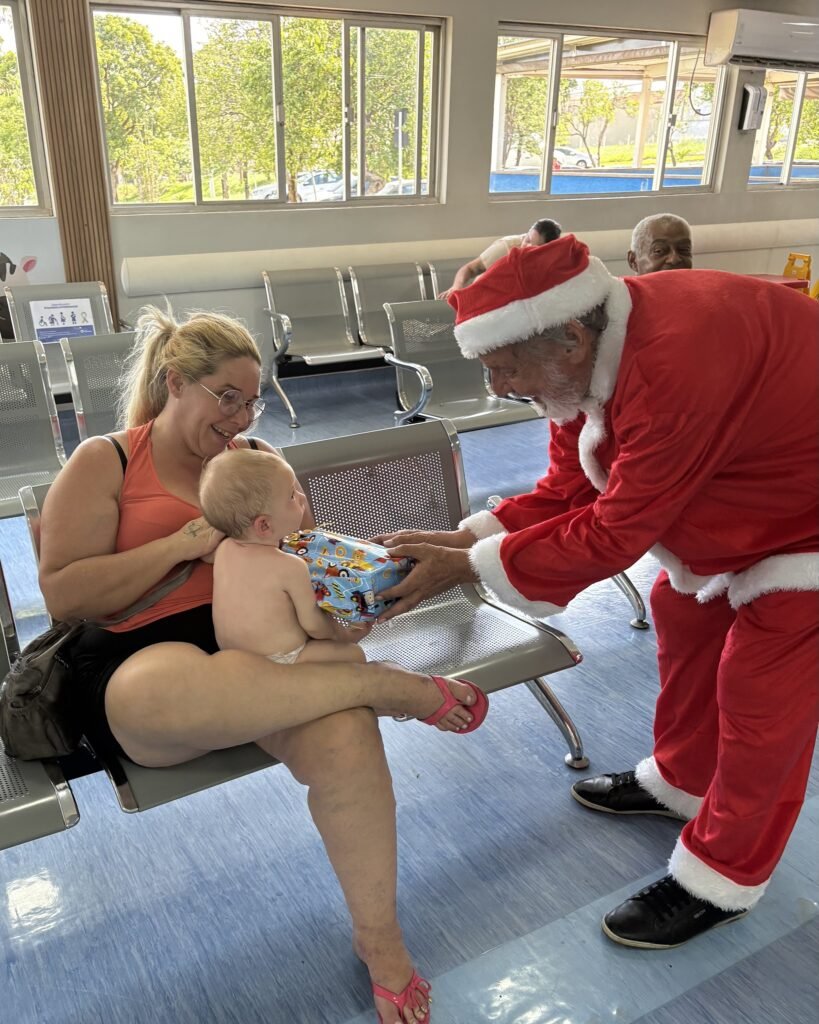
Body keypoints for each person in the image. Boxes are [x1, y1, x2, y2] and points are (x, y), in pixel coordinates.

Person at [39, 305, 491, 1024]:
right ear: (174, 383)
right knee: (175, 694)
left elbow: (306, 568)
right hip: (140, 658)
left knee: (344, 733)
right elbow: (64, 594)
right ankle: (381, 686)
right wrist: (185, 544)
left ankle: (380, 938)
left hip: (262, 649)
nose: (242, 414)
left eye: (252, 398)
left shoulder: (253, 462)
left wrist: (355, 605)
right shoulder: (109, 460)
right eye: (228, 396)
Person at [375, 235, 818, 949]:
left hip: (807, 519)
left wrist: (470, 566)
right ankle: (682, 779)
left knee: (764, 695)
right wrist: (469, 542)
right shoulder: (582, 357)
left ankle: (723, 878)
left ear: (572, 340)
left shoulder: (675, 364)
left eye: (502, 368)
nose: (497, 387)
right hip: (753, 478)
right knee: (683, 612)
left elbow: (617, 530)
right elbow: (572, 486)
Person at [200, 447, 368, 664]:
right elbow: (314, 626)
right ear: (264, 525)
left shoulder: (223, 551)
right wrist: (345, 635)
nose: (301, 497)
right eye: (291, 495)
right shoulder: (289, 566)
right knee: (354, 655)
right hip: (280, 659)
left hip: (233, 659)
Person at [437, 217, 561, 299]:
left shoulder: (556, 258)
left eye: (534, 246)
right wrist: (456, 287)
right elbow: (470, 268)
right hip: (485, 297)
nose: (527, 246)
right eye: (527, 240)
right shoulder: (507, 246)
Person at [627, 213, 693, 275]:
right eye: (659, 251)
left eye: (684, 249)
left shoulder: (700, 286)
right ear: (633, 261)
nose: (674, 259)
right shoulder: (620, 286)